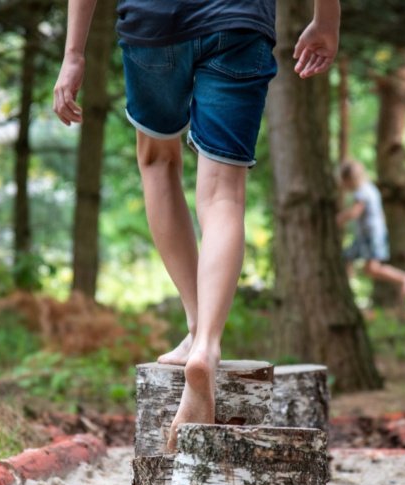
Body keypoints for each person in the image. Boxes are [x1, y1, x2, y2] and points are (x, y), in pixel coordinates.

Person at [54, 0, 340, 450]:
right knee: (223, 192)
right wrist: (326, 20)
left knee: (157, 161)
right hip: (238, 24)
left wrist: (74, 54)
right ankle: (205, 342)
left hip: (154, 25)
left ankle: (196, 326)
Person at [336, 159, 405, 303]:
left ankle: (404, 279)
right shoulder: (370, 189)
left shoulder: (363, 192)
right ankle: (347, 293)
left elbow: (355, 212)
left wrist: (338, 220)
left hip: (370, 236)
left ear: (350, 179)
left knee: (370, 268)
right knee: (350, 260)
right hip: (366, 235)